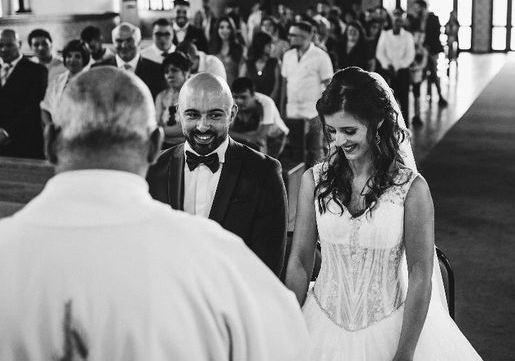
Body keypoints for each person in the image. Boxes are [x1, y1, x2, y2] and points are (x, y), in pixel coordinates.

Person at [0, 67, 309, 360]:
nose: (203, 125)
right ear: (153, 146)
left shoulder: (6, 250)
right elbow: (284, 342)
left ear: (50, 142)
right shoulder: (213, 256)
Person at [285, 67, 482, 361]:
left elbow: (420, 274)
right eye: (332, 131)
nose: (339, 141)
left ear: (376, 122)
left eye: (350, 131)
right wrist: (285, 326)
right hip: (321, 320)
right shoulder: (315, 180)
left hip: (391, 325)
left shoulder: (411, 189)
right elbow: (301, 260)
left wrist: (405, 353)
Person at [146, 73, 288, 277]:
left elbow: (268, 267)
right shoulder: (152, 169)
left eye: (215, 115)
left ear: (232, 114)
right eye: (192, 115)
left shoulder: (264, 173)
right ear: (178, 113)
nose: (203, 126)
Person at [281, 21, 334, 168]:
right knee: (296, 150)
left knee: (315, 149)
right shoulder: (288, 56)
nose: (289, 37)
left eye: (293, 35)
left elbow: (329, 86)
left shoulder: (320, 56)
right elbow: (285, 84)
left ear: (306, 37)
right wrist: (282, 108)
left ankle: (321, 181)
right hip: (292, 111)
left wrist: (325, 113)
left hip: (313, 112)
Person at [0, 29, 48, 159]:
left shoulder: (37, 71)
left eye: (9, 45)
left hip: (24, 142)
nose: (4, 49)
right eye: (0, 45)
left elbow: (32, 107)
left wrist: (6, 132)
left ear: (19, 44)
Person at [93, 22, 166, 100]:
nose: (124, 45)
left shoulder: (157, 71)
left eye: (129, 40)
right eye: (119, 41)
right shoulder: (98, 70)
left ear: (139, 42)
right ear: (113, 43)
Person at [230, 76, 289, 158]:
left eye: (244, 97)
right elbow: (225, 131)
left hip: (275, 137)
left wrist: (243, 136)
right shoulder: (231, 102)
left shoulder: (266, 102)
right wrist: (248, 137)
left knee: (262, 162)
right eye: (236, 97)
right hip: (251, 132)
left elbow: (261, 137)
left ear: (253, 95)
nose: (239, 101)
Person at [376, 9, 415, 124]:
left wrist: (398, 66)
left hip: (402, 71)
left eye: (400, 18)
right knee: (387, 101)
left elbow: (410, 54)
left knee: (404, 101)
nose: (397, 21)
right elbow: (380, 52)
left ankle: (405, 126)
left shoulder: (408, 36)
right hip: (387, 71)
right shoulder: (385, 34)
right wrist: (388, 65)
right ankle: (387, 126)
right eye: (395, 18)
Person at [41, 39, 91, 125]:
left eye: (77, 56)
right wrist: (50, 126)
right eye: (69, 56)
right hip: (57, 130)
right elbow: (45, 107)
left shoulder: (91, 81)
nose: (72, 60)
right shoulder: (57, 80)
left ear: (84, 60)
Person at [413, 0, 448, 107]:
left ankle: (439, 95)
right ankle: (430, 94)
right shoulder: (417, 20)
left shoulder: (433, 18)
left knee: (432, 71)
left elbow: (436, 33)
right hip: (421, 50)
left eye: (417, 7)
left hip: (432, 50)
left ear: (423, 7)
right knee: (425, 72)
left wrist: (428, 46)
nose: (415, 9)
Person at [155, 52, 190, 148]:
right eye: (166, 72)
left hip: (187, 146)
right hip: (163, 146)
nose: (169, 75)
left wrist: (159, 130)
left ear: (186, 72)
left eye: (174, 70)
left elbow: (187, 128)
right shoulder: (161, 96)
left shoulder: (193, 95)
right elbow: (156, 123)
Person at [242, 31, 281, 102]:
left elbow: (277, 87)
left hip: (270, 103)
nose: (271, 47)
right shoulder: (247, 64)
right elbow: (241, 84)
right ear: (261, 45)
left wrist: (268, 102)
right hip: (250, 103)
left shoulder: (274, 63)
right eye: (268, 45)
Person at [209, 16, 246, 85]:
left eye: (228, 27)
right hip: (215, 88)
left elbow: (242, 74)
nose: (225, 30)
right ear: (217, 29)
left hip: (234, 89)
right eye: (222, 27)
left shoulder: (239, 48)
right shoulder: (212, 48)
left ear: (232, 29)